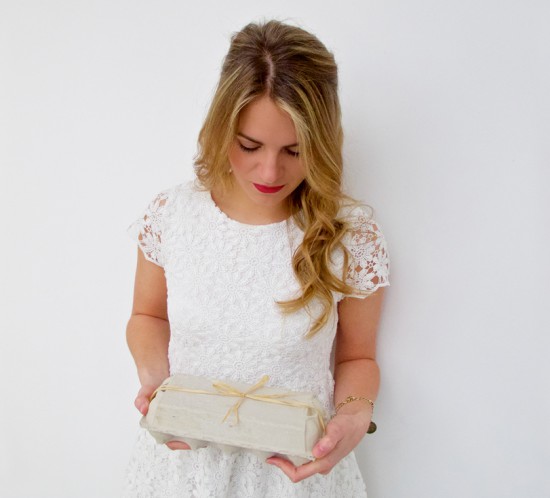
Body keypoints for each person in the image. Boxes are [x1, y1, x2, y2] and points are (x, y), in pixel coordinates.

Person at [124, 19, 390, 497]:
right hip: (183, 471)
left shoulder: (351, 233)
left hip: (294, 475)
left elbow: (358, 355)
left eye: (295, 150)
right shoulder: (174, 214)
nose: (270, 171)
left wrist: (354, 413)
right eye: (250, 146)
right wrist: (156, 379)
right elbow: (146, 315)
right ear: (222, 126)